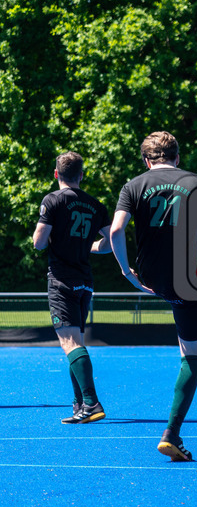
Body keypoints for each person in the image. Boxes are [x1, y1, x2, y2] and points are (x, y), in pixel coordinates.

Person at [111, 131, 197, 461]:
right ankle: (171, 433)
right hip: (188, 278)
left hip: (152, 275)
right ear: (177, 157)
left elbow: (117, 230)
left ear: (148, 161)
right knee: (192, 355)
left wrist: (125, 271)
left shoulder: (134, 185)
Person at [32, 152, 112, 424]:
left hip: (61, 280)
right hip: (84, 281)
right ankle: (80, 405)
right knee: (75, 341)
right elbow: (111, 241)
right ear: (81, 175)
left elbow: (39, 243)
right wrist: (89, 246)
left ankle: (91, 401)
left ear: (56, 174)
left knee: (69, 343)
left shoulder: (52, 200)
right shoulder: (95, 205)